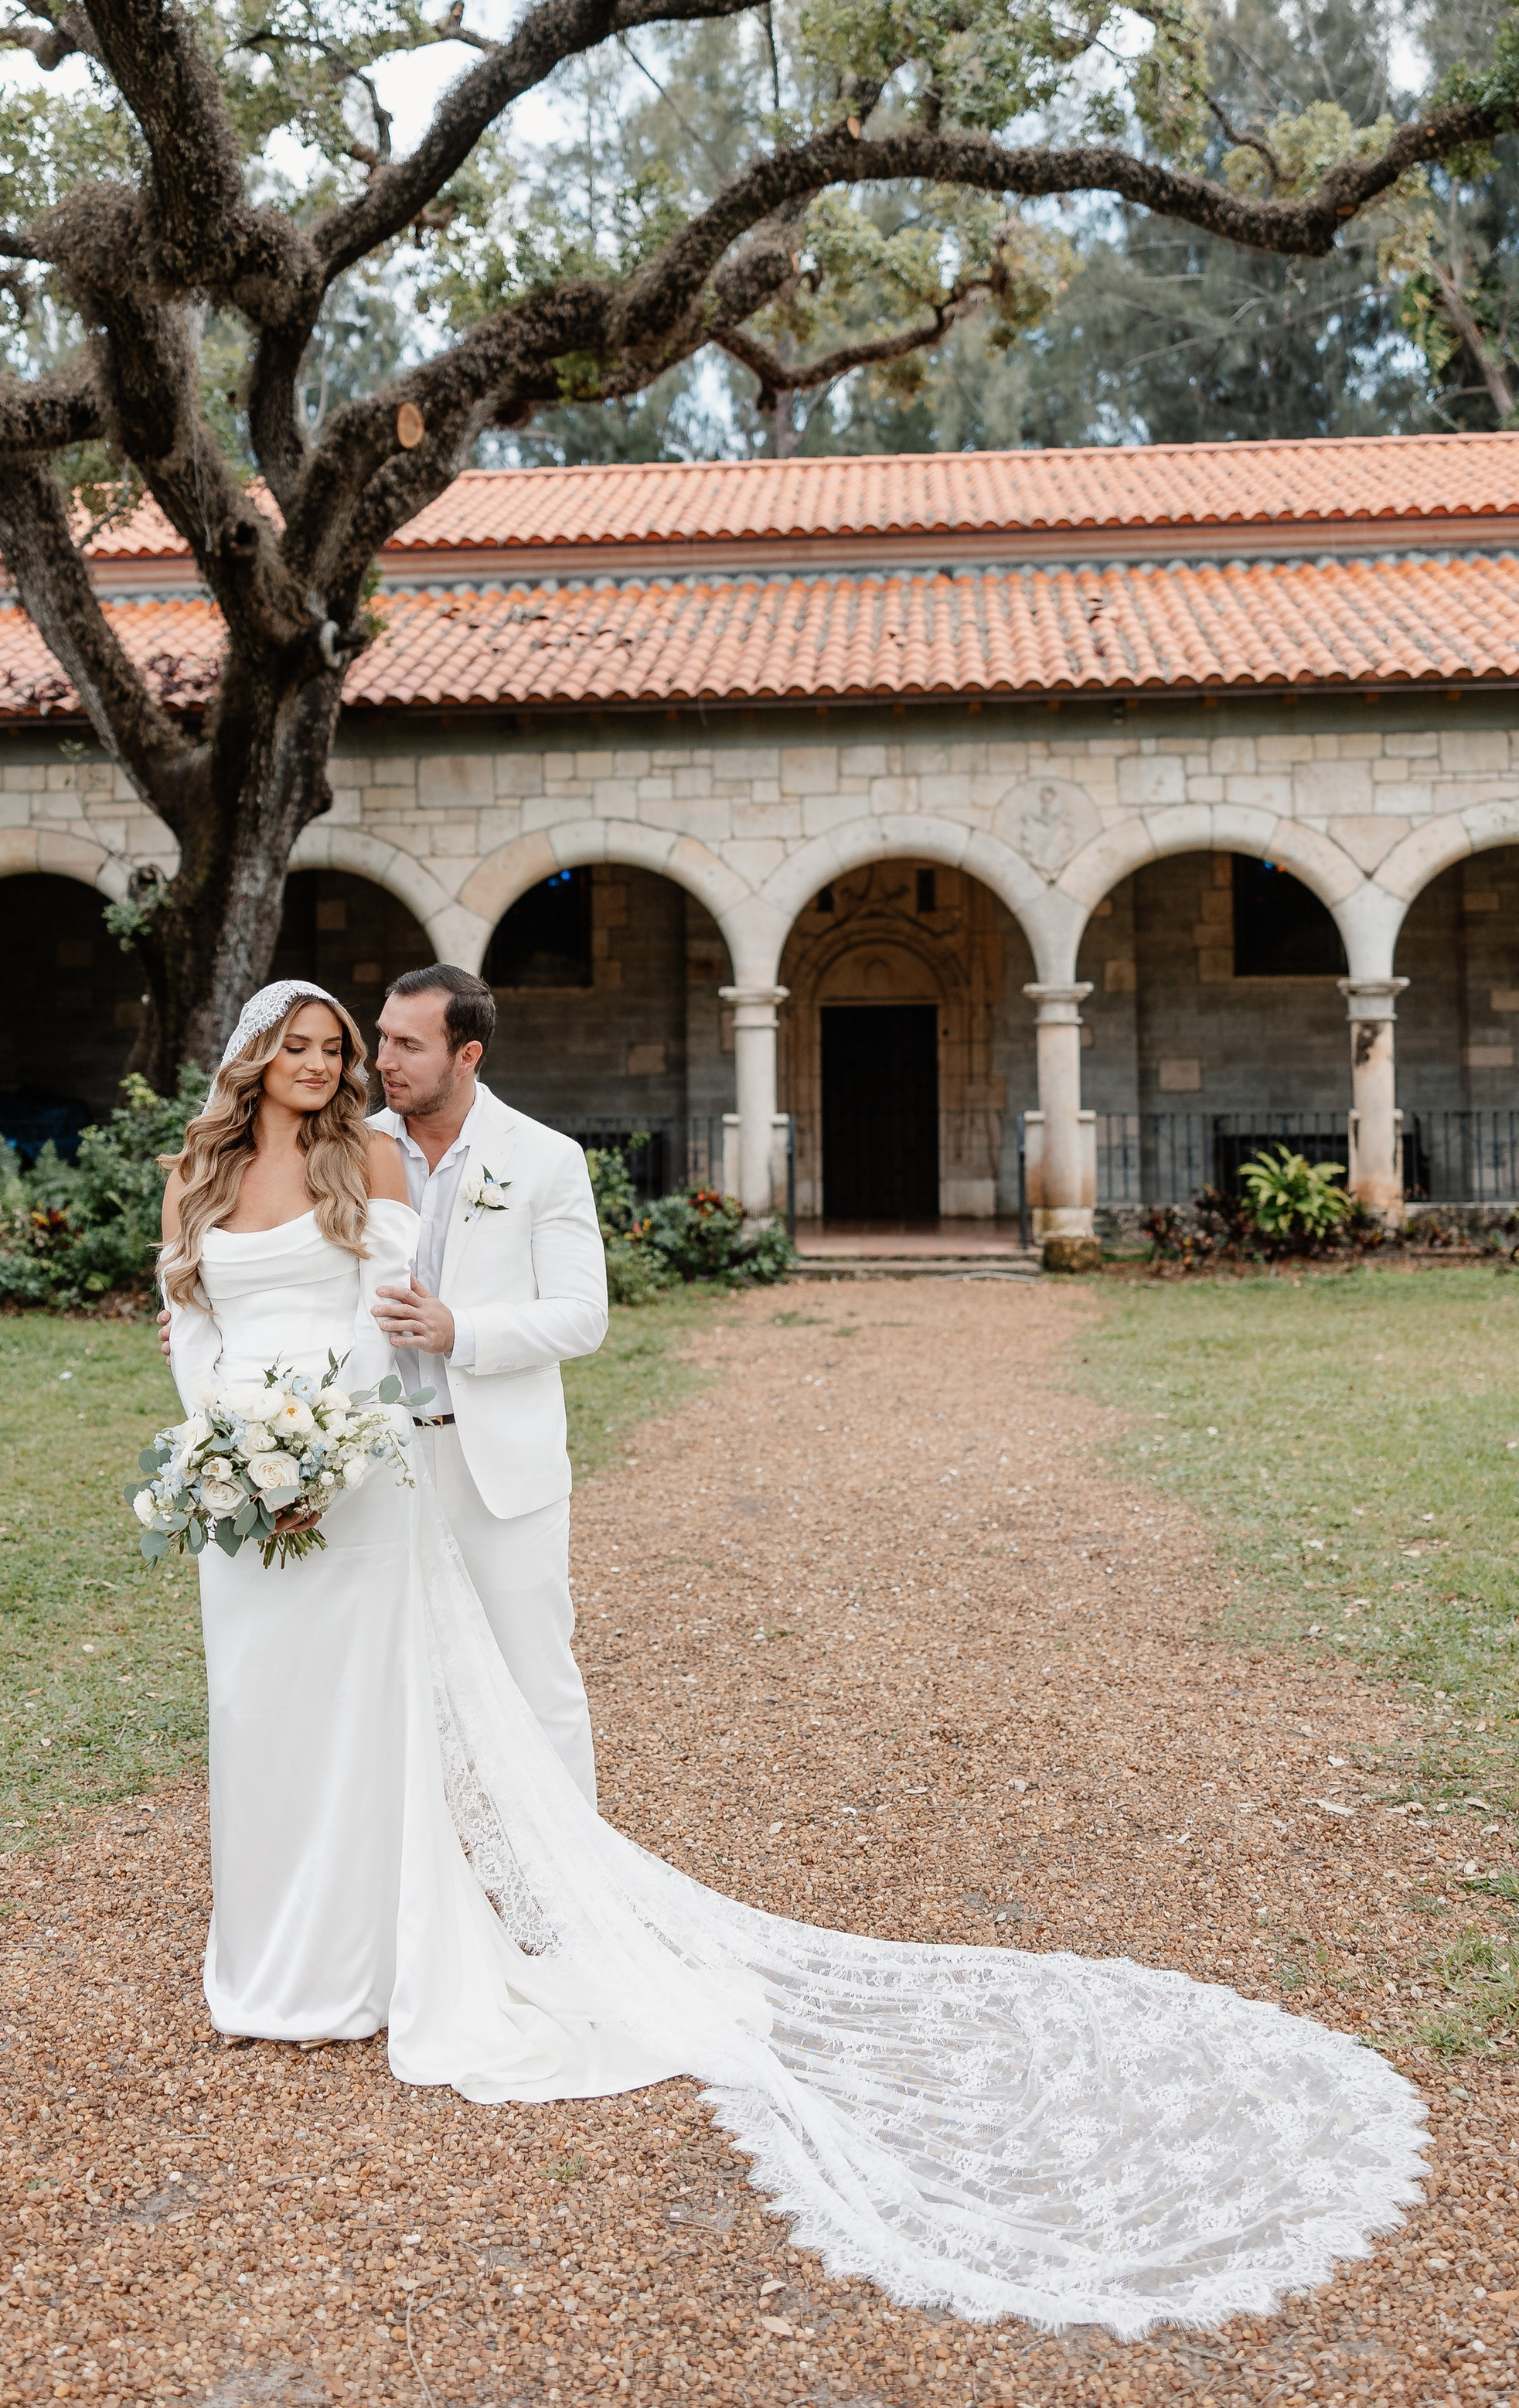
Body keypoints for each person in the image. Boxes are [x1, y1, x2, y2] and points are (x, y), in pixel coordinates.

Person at [158, 981, 1429, 2328]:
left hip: (428, 1472)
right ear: (258, 1060)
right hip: (300, 1475)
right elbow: (192, 1318)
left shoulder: (502, 1163)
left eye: (367, 1046)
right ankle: (308, 1940)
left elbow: (535, 1315)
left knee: (515, 1694)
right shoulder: (294, 1161)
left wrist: (378, 1394)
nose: (353, 1064)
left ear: (454, 1052)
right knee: (304, 1715)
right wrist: (238, 1444)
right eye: (332, 1046)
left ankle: (551, 1920)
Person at [365, 964, 606, 1805]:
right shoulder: (347, 1154)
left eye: (407, 1044)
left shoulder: (543, 1158)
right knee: (392, 1682)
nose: (381, 1060)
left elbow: (583, 1316)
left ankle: (570, 1895)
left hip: (500, 1463)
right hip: (377, 1464)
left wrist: (459, 1332)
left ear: (466, 1054)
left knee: (535, 1681)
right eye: (382, 1038)